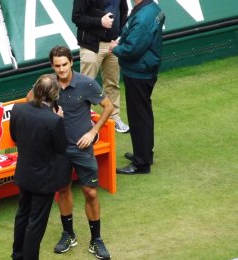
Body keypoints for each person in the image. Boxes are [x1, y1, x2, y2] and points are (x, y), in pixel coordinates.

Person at [27, 46, 113, 259]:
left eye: (64, 64)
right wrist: (48, 111)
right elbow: (29, 102)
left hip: (83, 149)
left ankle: (96, 239)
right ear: (52, 66)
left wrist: (93, 131)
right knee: (63, 190)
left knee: (91, 193)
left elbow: (108, 107)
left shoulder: (86, 83)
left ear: (71, 63)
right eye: (57, 66)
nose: (61, 69)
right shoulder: (47, 83)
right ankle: (68, 234)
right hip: (57, 150)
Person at [10, 74, 67, 260]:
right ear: (54, 95)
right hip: (44, 180)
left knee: (22, 215)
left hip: (24, 173)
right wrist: (58, 119)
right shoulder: (54, 121)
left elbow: (15, 136)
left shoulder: (18, 109)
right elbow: (60, 148)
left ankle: (17, 255)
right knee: (36, 223)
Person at [110, 0, 165, 174]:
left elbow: (132, 49)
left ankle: (141, 163)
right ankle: (144, 154)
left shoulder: (143, 17)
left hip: (138, 72)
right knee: (143, 114)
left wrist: (116, 48)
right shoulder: (152, 8)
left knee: (139, 116)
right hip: (145, 69)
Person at [72, 0, 130, 133]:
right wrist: (100, 22)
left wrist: (118, 34)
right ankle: (82, 121)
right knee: (85, 85)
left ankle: (114, 118)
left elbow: (123, 10)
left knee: (113, 83)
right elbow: (77, 17)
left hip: (113, 44)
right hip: (91, 45)